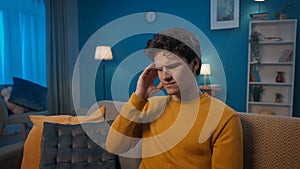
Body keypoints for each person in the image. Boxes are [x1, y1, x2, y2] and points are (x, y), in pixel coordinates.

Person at [106, 28, 243, 169]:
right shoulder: (150, 106)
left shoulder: (224, 118)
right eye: (160, 69)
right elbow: (114, 146)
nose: (165, 76)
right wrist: (139, 96)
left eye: (172, 66)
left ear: (194, 64)